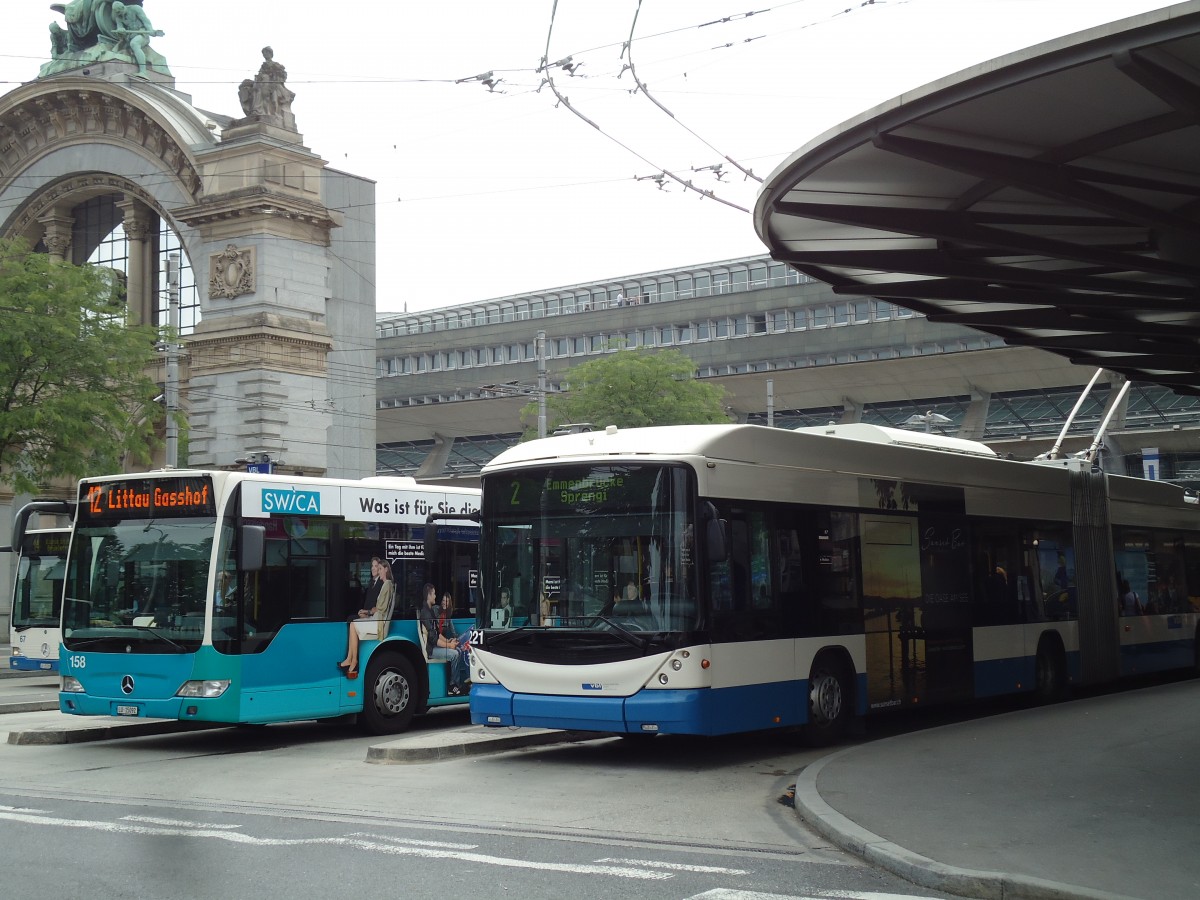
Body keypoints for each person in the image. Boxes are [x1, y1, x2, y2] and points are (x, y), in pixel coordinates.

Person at [338, 560, 395, 677]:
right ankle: (351, 659)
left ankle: (353, 660)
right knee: (353, 623)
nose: (378, 571)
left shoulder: (387, 585)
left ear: (386, 569)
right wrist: (369, 612)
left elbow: (381, 608)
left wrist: (368, 612)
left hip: (378, 622)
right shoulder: (386, 585)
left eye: (380, 569)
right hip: (376, 618)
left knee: (353, 624)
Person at [418, 583, 468, 694]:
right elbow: (433, 639)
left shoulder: (430, 611)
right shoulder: (426, 613)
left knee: (457, 651)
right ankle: (453, 686)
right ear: (429, 595)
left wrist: (448, 641)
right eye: (434, 594)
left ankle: (456, 684)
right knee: (455, 654)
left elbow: (437, 634)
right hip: (431, 649)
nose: (436, 596)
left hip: (434, 645)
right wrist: (449, 646)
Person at [111, 2, 163, 77]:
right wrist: (120, 30)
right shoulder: (118, 17)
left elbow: (145, 21)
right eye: (117, 13)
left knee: (134, 44)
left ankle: (143, 72)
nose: (119, 14)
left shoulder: (135, 8)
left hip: (142, 34)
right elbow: (119, 27)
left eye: (119, 12)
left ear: (123, 7)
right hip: (130, 37)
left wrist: (151, 31)